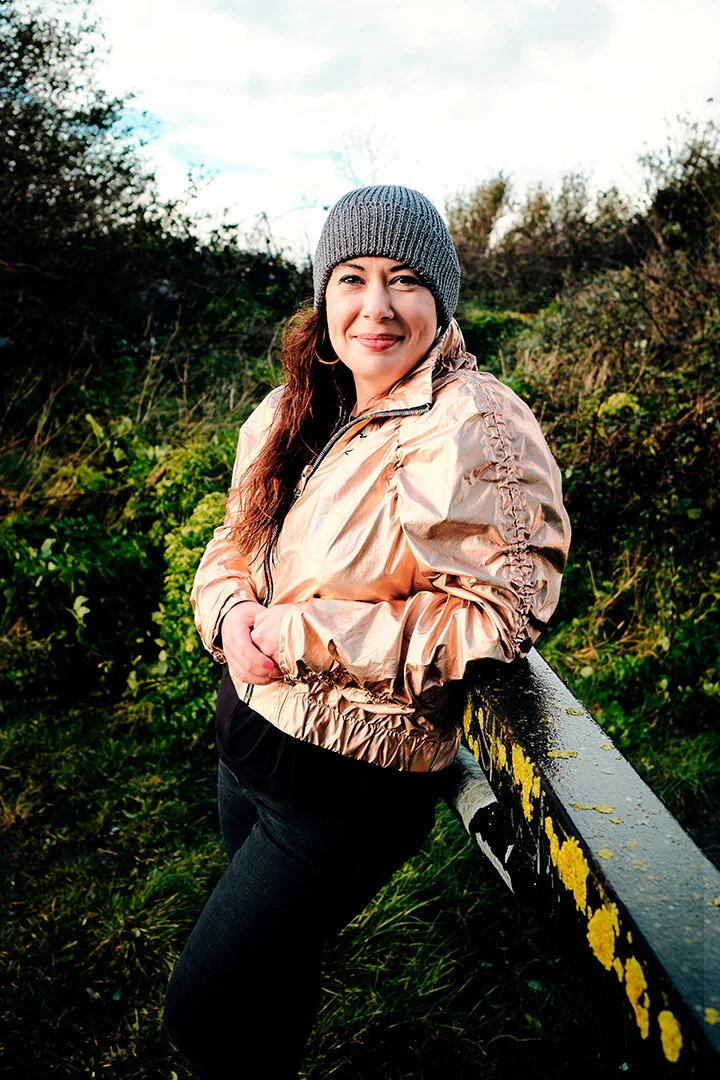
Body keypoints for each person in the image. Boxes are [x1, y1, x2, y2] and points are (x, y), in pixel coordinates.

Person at [163, 184, 571, 1079]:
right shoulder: (292, 409)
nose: (375, 307)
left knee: (202, 1012)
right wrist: (231, 615)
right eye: (351, 277)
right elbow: (232, 546)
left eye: (404, 281)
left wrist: (305, 631)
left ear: (443, 298)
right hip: (249, 743)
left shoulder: (473, 423)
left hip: (346, 788)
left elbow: (499, 611)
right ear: (324, 294)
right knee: (275, 977)